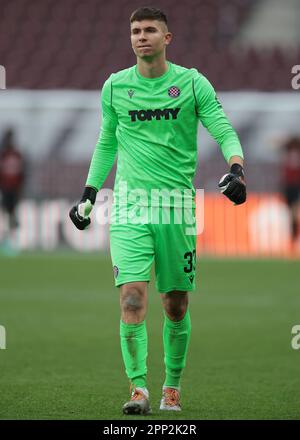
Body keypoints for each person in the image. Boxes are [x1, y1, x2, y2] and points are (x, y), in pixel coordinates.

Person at [69, 6, 246, 415]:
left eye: (150, 29)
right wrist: (89, 194)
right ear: (130, 38)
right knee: (131, 299)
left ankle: (172, 387)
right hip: (129, 208)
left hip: (176, 208)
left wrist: (236, 167)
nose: (141, 36)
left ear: (167, 38)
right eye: (135, 30)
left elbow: (222, 126)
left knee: (175, 304)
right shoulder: (114, 87)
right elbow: (106, 142)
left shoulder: (191, 82)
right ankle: (138, 390)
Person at [0, 128, 25, 232]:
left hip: (14, 188)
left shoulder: (16, 154)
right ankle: (10, 226)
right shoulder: (3, 155)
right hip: (5, 188)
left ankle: (11, 227)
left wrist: (20, 188)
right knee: (6, 209)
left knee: (11, 209)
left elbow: (22, 173)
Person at [281, 137, 300, 249]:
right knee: (291, 212)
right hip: (289, 185)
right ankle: (293, 238)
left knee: (293, 211)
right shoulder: (288, 150)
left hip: (296, 184)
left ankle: (294, 237)